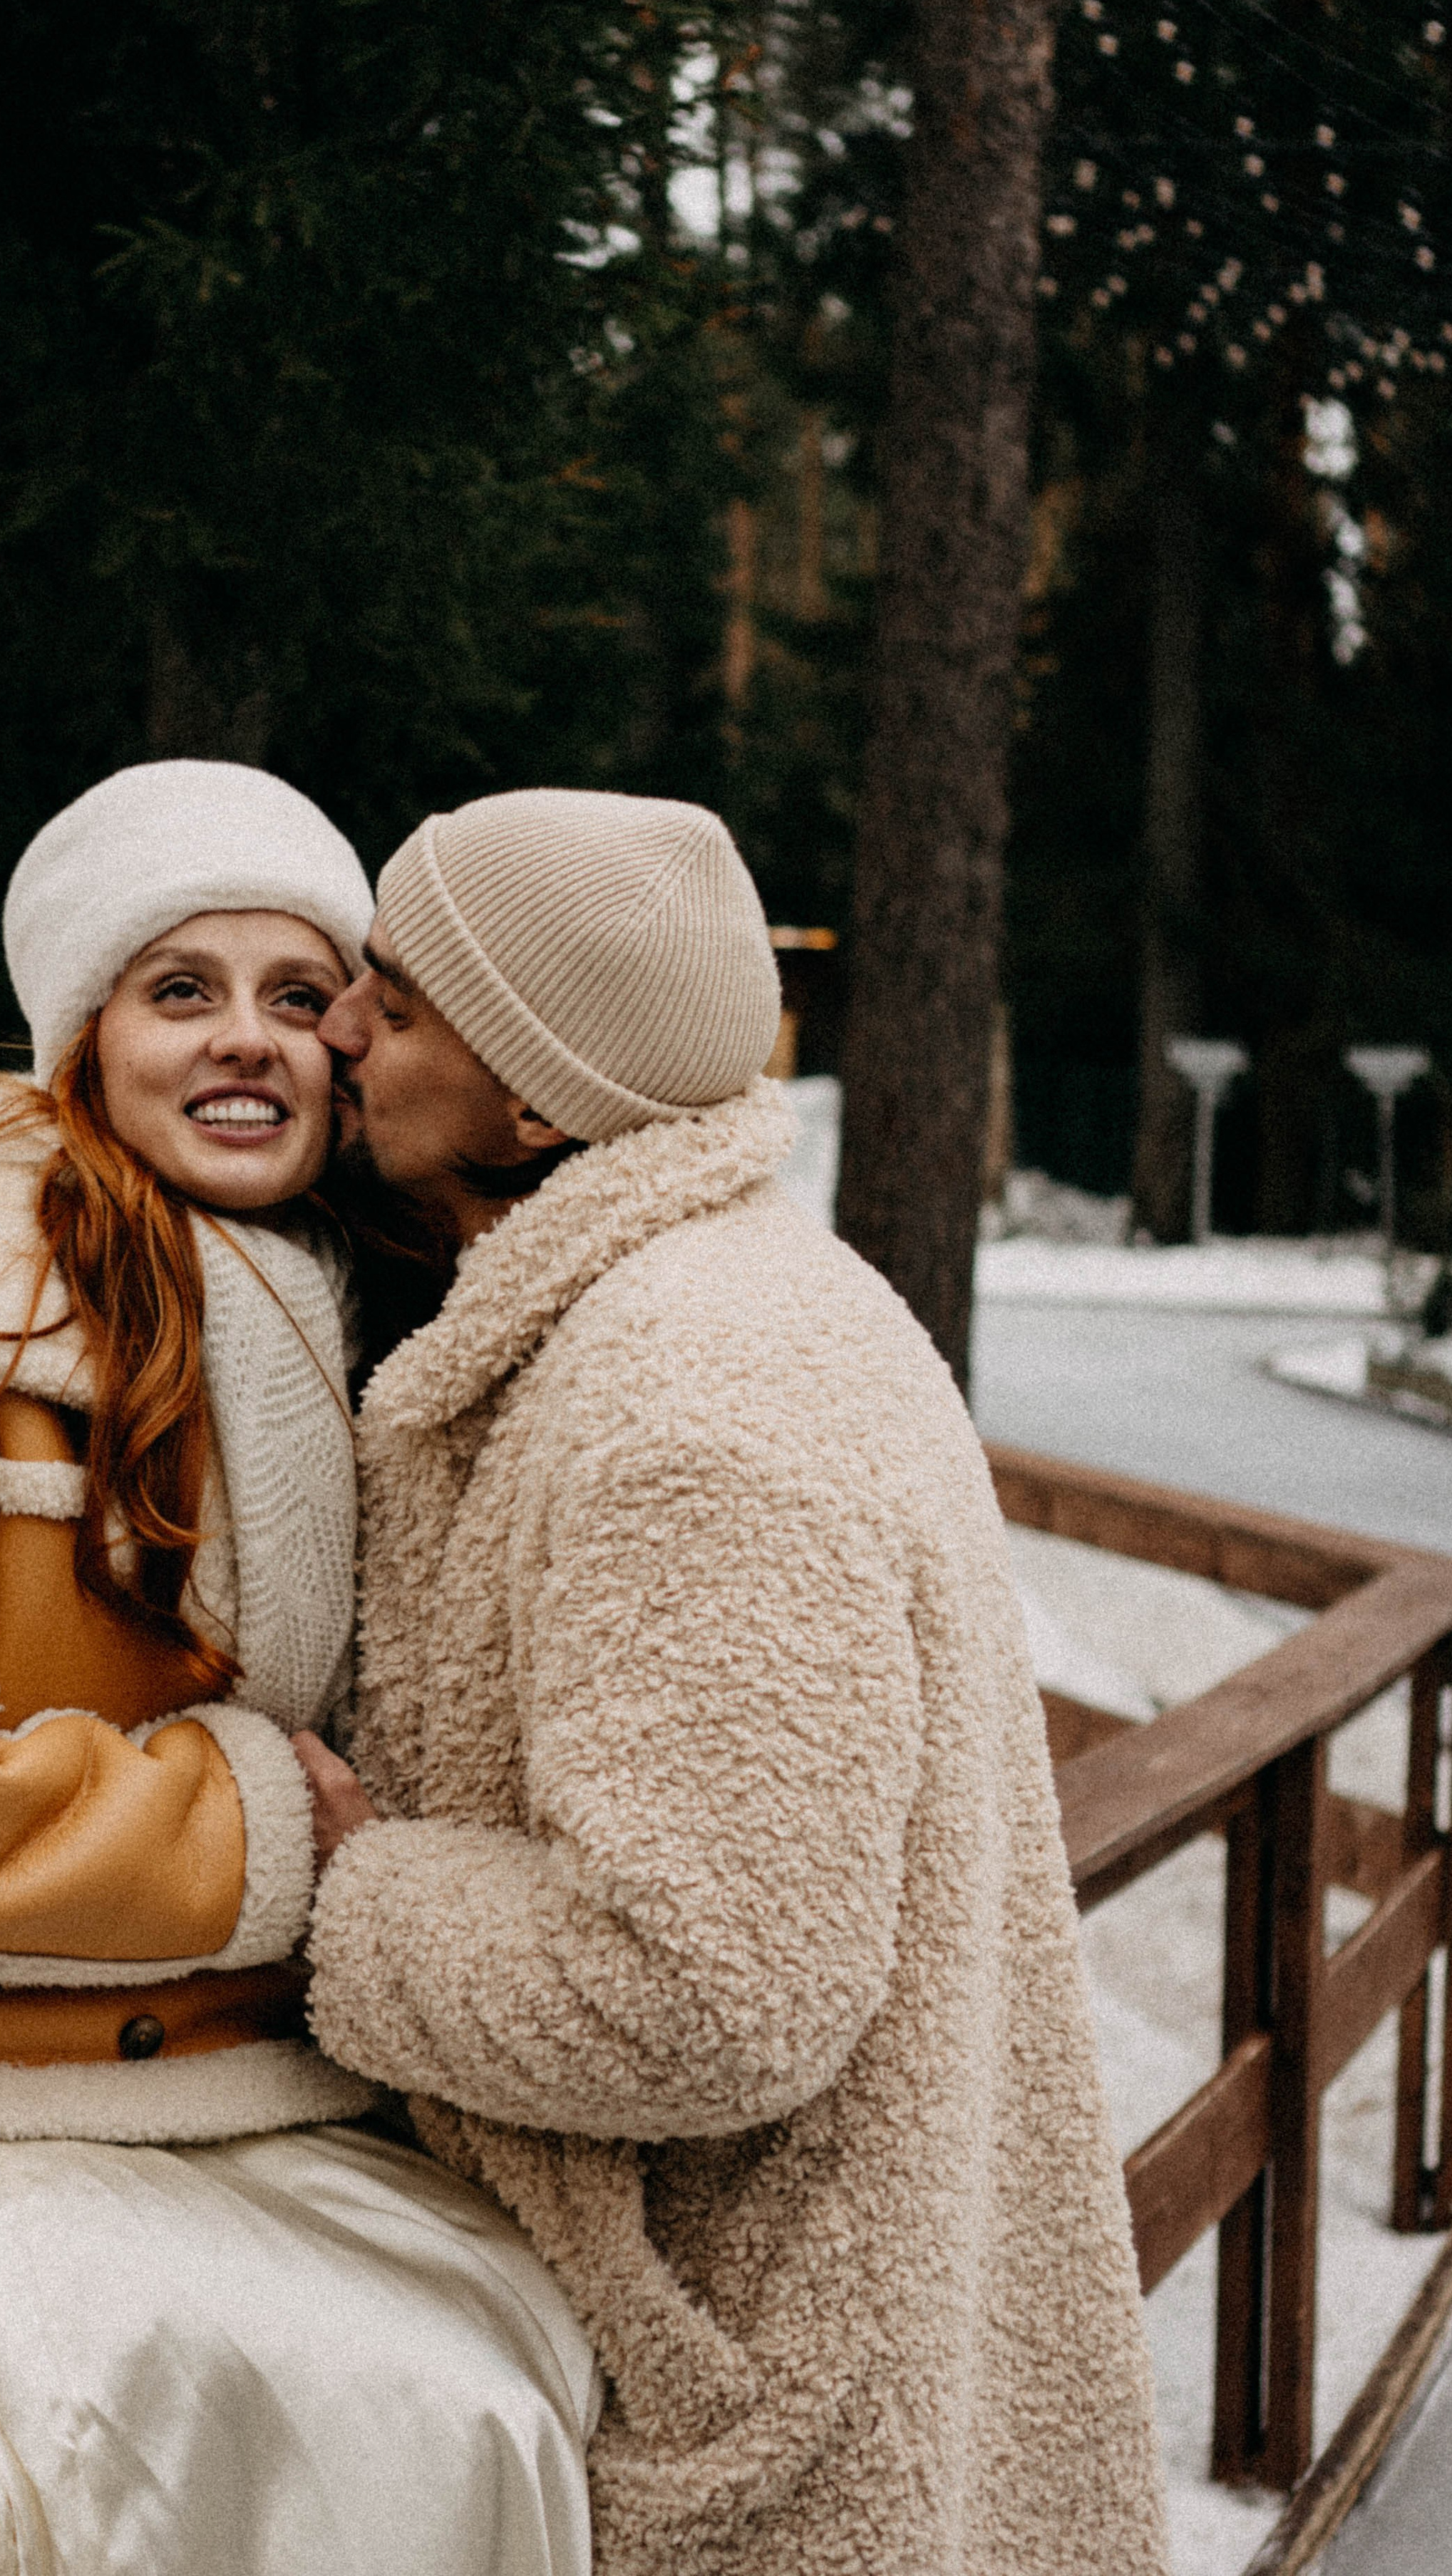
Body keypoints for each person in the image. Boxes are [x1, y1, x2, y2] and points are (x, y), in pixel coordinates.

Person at [0, 761, 597, 2576]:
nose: (245, 1041)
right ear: (82, 1044)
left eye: (298, 994)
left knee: (524, 2343)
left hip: (140, 2058)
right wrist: (243, 1833)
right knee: (384, 2403)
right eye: (180, 992)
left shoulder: (305, 1295)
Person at [297, 786, 1171, 2576]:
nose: (336, 1031)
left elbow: (705, 1993)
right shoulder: (704, 1301)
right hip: (798, 2334)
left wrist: (345, 1885)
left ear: (536, 1095)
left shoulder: (689, 1399)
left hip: (768, 2410)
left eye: (393, 999)